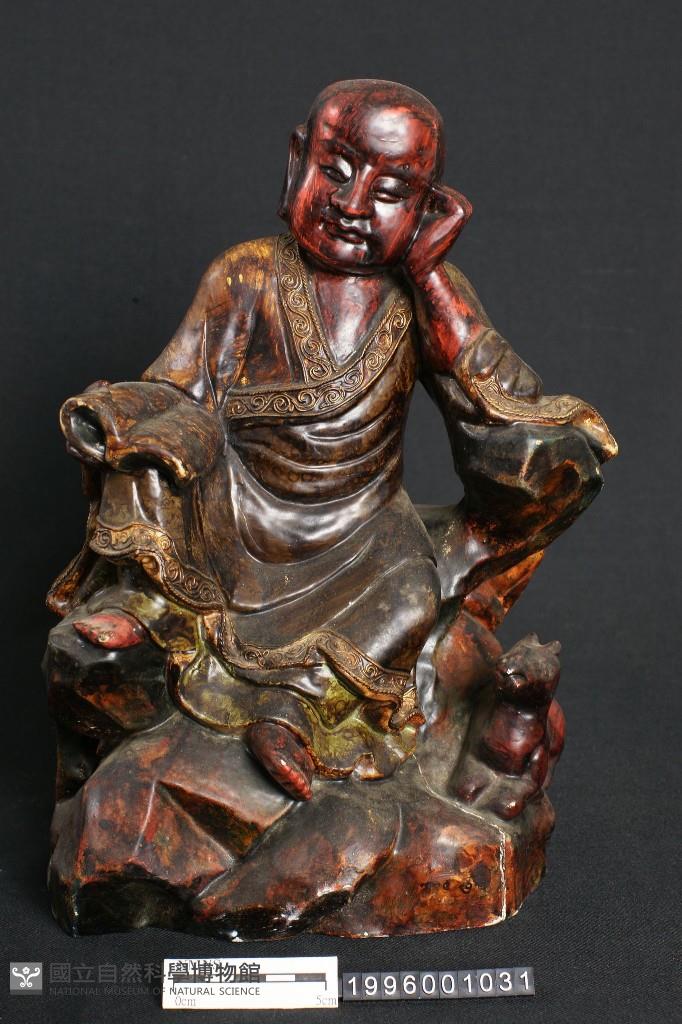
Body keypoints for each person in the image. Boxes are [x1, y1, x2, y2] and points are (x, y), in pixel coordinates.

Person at [53, 79, 614, 802]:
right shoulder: (247, 274)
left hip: (360, 529)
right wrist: (132, 417)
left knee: (411, 592)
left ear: (429, 209)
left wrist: (429, 274)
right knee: (154, 448)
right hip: (239, 509)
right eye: (337, 170)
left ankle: (291, 714)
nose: (352, 203)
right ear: (297, 162)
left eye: (392, 191)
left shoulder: (424, 298)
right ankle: (148, 610)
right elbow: (178, 390)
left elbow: (503, 398)